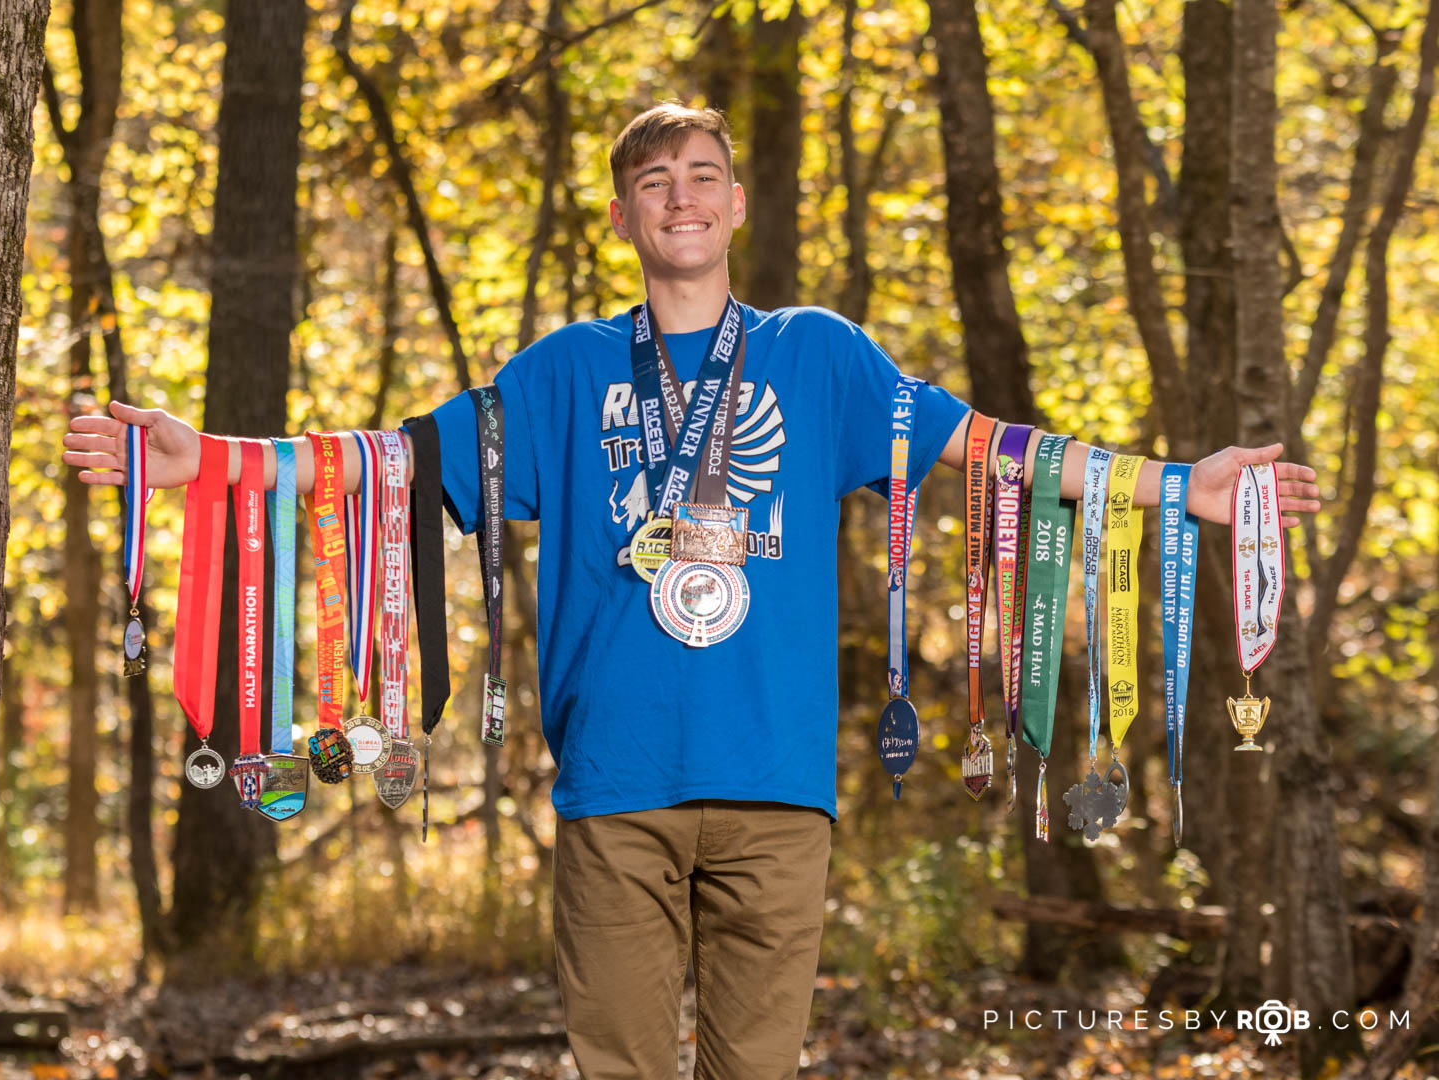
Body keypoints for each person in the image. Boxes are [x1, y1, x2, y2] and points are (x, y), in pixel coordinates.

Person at [64, 102, 1320, 1079]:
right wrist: (216, 462)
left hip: (777, 786)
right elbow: (398, 462)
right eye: (655, 181)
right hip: (617, 782)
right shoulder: (562, 373)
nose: (682, 197)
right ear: (623, 216)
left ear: (733, 206)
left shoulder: (818, 356)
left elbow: (992, 450)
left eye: (702, 176)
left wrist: (1178, 486)